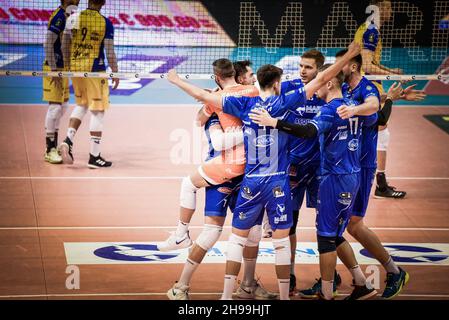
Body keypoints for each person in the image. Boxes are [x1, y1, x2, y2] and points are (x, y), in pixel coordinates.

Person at [166, 41, 361, 300]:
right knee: (279, 242)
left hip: (250, 182)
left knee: (237, 239)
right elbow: (324, 77)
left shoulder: (244, 105)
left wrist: (176, 79)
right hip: (278, 183)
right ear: (278, 84)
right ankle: (283, 296)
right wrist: (349, 54)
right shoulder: (286, 102)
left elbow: (203, 97)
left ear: (256, 82)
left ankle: (226, 296)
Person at [248, 63, 375, 300]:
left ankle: (327, 293)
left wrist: (274, 122)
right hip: (353, 174)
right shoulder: (355, 106)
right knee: (335, 235)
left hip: (334, 178)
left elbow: (307, 131)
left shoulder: (330, 110)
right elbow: (375, 117)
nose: (313, 88)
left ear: (329, 83)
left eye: (318, 81)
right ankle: (361, 282)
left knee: (326, 237)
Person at [157, 59, 259, 252]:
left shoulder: (218, 98)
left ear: (216, 77)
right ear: (237, 75)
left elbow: (198, 119)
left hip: (232, 162)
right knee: (251, 228)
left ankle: (181, 235)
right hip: (256, 160)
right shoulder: (255, 91)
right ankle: (248, 279)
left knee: (188, 184)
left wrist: (177, 81)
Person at [59, 0, 119, 168]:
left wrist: (67, 65)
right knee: (98, 112)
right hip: (94, 70)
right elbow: (110, 52)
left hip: (75, 68)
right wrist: (115, 71)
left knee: (82, 104)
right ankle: (94, 157)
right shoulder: (105, 23)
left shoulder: (74, 17)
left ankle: (68, 140)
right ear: (103, 2)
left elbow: (65, 44)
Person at [354, 0, 405, 198]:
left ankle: (375, 182)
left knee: (375, 132)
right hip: (368, 86)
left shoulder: (369, 28)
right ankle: (380, 185)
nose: (390, 10)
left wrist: (390, 72)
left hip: (368, 85)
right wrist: (393, 74)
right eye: (388, 6)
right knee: (381, 131)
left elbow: (370, 62)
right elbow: (366, 65)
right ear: (379, 9)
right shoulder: (371, 30)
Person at [42, 0, 80, 164]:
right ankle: (49, 149)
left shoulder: (71, 15)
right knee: (55, 107)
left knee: (63, 107)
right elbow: (48, 43)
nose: (77, 1)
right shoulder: (58, 17)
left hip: (63, 68)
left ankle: (55, 145)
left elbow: (68, 42)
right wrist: (53, 68)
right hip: (54, 68)